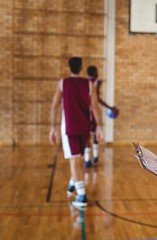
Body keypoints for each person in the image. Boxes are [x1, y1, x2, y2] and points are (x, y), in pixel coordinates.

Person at [49, 57, 104, 208]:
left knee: (74, 160)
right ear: (81, 68)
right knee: (78, 158)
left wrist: (53, 127)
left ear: (69, 67)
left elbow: (54, 106)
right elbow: (96, 107)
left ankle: (81, 195)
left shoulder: (63, 83)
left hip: (70, 128)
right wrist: (100, 127)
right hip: (85, 127)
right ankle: (73, 183)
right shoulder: (89, 84)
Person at [84, 65, 119, 168]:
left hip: (86, 111)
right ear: (95, 72)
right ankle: (95, 157)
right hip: (93, 111)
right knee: (96, 134)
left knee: (87, 136)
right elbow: (97, 98)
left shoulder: (85, 82)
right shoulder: (96, 82)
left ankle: (87, 160)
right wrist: (110, 107)